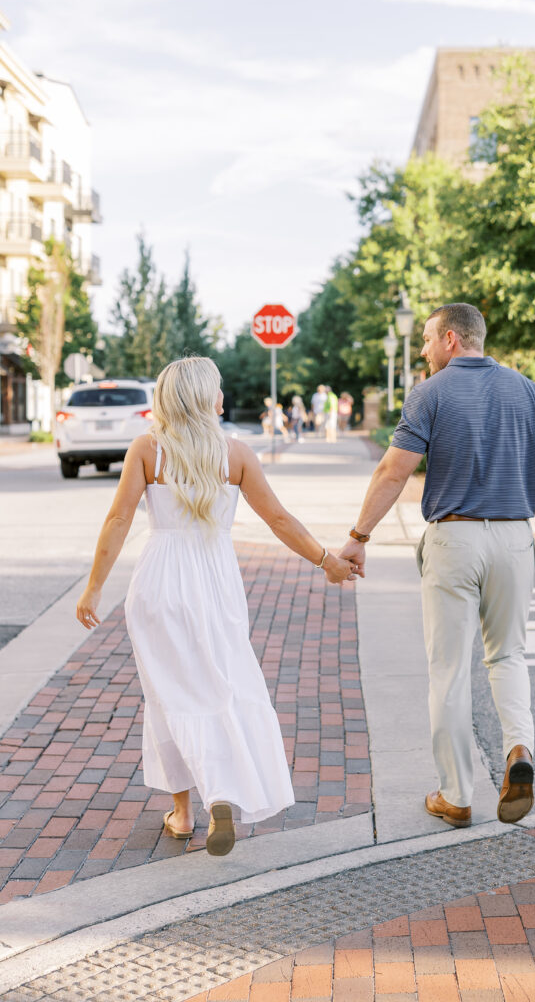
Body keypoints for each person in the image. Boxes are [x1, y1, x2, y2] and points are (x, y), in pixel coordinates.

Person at [76, 357, 354, 856]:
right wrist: (326, 561)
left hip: (158, 583)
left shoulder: (147, 450)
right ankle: (221, 796)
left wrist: (94, 588)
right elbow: (279, 520)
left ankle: (183, 814)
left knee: (168, 695)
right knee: (223, 685)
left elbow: (118, 520)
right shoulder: (237, 455)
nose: (224, 398)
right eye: (218, 389)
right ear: (203, 397)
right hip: (216, 584)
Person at [339, 303, 535, 829]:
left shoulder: (430, 393)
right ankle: (519, 749)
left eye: (427, 340)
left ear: (451, 339)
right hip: (516, 538)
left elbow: (392, 472)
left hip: (454, 539)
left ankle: (456, 795)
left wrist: (359, 536)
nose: (423, 350)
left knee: (448, 671)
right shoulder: (528, 391)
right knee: (508, 657)